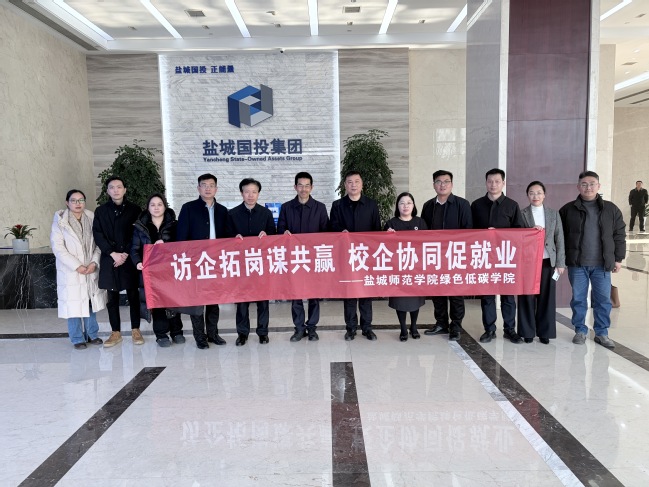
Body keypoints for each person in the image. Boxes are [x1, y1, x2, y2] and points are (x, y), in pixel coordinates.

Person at [559, 171, 626, 349]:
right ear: (578, 186)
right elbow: (560, 236)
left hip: (602, 264)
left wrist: (618, 258)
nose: (588, 187)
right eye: (584, 184)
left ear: (598, 186)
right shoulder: (568, 210)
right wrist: (560, 260)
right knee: (579, 299)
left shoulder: (611, 209)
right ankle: (580, 330)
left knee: (603, 300)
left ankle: (602, 333)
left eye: (592, 184)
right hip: (577, 264)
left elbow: (619, 234)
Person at [471, 168, 524, 344]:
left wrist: (500, 234)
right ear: (486, 183)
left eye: (497, 181)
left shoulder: (512, 205)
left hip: (505, 258)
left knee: (508, 296)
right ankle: (489, 330)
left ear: (503, 183)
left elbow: (519, 232)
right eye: (490, 181)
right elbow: (469, 232)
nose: (493, 184)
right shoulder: (477, 205)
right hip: (484, 257)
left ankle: (510, 330)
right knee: (487, 296)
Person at [177, 173, 229, 349]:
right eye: (204, 185)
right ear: (198, 188)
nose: (208, 188)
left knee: (214, 300)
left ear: (216, 189)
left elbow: (228, 237)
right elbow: (181, 237)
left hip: (216, 262)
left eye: (211, 185)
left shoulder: (223, 211)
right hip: (196, 262)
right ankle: (200, 337)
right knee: (197, 301)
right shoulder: (188, 208)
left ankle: (213, 334)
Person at [51, 190, 107, 349]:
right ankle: (76, 338)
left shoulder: (91, 218)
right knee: (73, 305)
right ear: (67, 202)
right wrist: (77, 265)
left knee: (90, 302)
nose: (78, 203)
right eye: (73, 200)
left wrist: (94, 262)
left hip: (90, 268)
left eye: (81, 200)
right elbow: (58, 248)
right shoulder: (60, 222)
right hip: (71, 271)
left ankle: (92, 334)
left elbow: (99, 244)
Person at [420, 170, 473, 341]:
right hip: (435, 256)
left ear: (452, 184)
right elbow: (423, 231)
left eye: (446, 181)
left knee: (456, 293)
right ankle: (441, 323)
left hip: (455, 256)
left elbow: (468, 231)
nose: (442, 185)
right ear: (433, 184)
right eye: (438, 182)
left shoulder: (462, 204)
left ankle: (456, 326)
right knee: (437, 291)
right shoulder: (428, 206)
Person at [277, 171, 329, 342]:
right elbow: (280, 231)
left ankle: (312, 328)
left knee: (314, 295)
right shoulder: (286, 207)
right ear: (295, 187)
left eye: (307, 186)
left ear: (311, 187)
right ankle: (299, 329)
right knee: (296, 295)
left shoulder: (320, 208)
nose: (304, 189)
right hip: (294, 259)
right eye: (300, 185)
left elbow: (326, 233)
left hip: (314, 260)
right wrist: (284, 233)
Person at [330, 170, 382, 341]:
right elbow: (332, 228)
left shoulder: (371, 205)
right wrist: (341, 232)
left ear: (362, 184)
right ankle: (351, 328)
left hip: (366, 256)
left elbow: (377, 230)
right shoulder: (337, 205)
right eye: (350, 182)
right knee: (349, 293)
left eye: (356, 181)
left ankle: (367, 328)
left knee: (366, 293)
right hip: (346, 257)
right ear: (345, 185)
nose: (353, 185)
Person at [92, 176, 142, 348]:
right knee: (112, 298)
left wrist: (125, 253)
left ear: (125, 189)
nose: (116, 190)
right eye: (112, 187)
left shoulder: (135, 210)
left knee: (133, 295)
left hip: (129, 258)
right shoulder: (101, 211)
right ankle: (115, 332)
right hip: (110, 258)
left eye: (119, 187)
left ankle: (136, 329)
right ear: (107, 191)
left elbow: (137, 234)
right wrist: (112, 253)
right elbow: (98, 234)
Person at [227, 178, 277, 346]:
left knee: (263, 300)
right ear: (241, 193)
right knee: (242, 300)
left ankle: (263, 332)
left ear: (258, 193)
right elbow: (225, 237)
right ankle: (242, 333)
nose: (250, 195)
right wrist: (233, 238)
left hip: (261, 264)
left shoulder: (266, 213)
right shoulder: (232, 214)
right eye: (247, 192)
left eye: (254, 192)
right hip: (240, 265)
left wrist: (267, 235)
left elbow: (274, 236)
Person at [131, 194, 184, 347]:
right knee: (158, 303)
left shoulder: (174, 225)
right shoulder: (140, 227)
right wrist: (138, 262)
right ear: (148, 208)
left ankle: (177, 332)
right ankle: (161, 334)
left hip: (171, 271)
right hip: (152, 273)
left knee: (173, 301)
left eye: (159, 204)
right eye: (152, 205)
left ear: (165, 206)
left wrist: (165, 244)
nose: (156, 207)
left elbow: (181, 246)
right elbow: (134, 249)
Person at [517, 181, 565, 344]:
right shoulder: (522, 214)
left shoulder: (553, 214)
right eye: (531, 193)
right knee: (527, 296)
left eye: (538, 192)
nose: (535, 196)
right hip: (528, 263)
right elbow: (517, 237)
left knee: (547, 297)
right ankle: (527, 332)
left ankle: (545, 332)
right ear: (527, 195)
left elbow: (559, 238)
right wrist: (530, 232)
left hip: (547, 261)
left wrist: (560, 263)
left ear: (544, 195)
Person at [385, 192, 427, 341]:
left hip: (416, 268)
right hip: (398, 269)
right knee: (400, 300)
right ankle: (403, 328)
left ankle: (414, 326)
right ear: (397, 206)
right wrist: (387, 235)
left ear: (413, 205)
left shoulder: (420, 223)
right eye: (402, 203)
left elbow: (427, 244)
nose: (405, 206)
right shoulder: (391, 224)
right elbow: (383, 248)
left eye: (409, 203)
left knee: (415, 300)